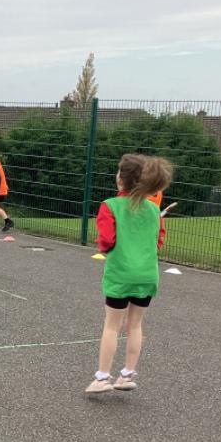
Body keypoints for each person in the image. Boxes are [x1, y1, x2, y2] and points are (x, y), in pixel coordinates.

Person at [85, 154, 173, 394]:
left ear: (122, 179)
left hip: (121, 273)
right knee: (135, 325)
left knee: (112, 326)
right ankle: (127, 375)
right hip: (147, 274)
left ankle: (102, 377)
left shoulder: (110, 205)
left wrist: (107, 249)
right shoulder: (153, 209)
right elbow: (157, 241)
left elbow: (106, 240)